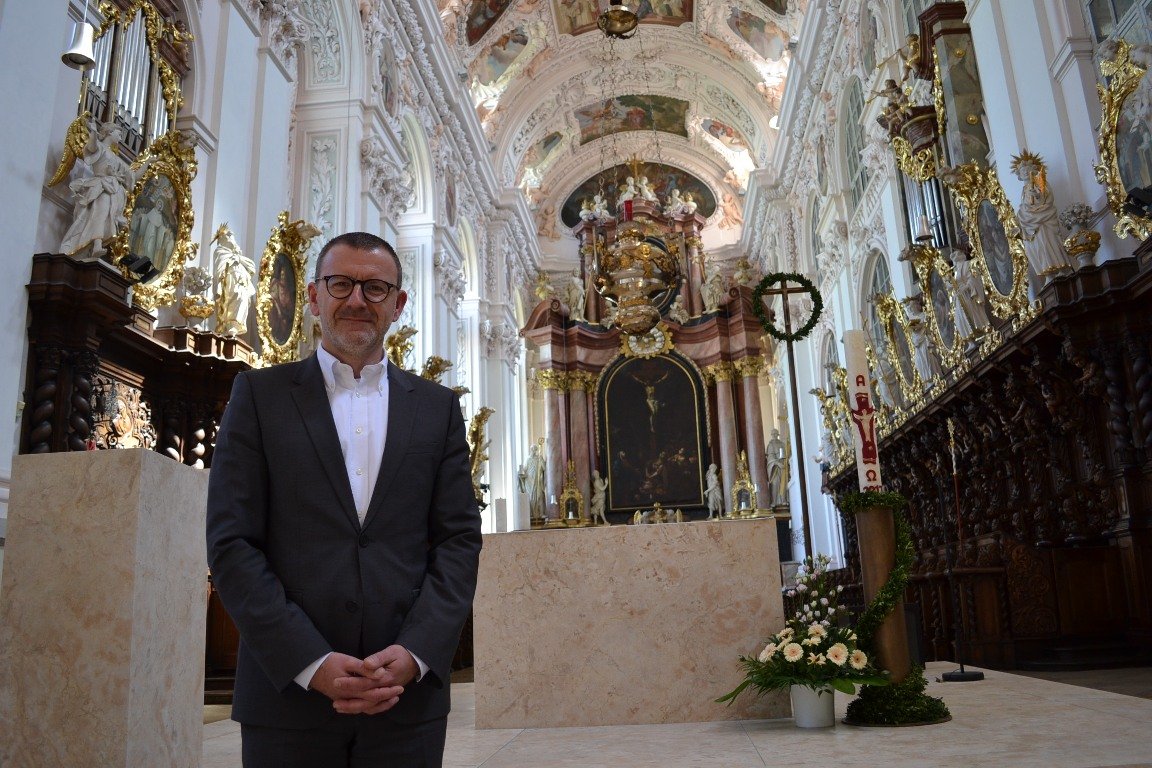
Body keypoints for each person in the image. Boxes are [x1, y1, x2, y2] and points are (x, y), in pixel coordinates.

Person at [206, 231, 482, 767]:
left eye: (376, 288)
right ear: (314, 297)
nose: (357, 299)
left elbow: (458, 540)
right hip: (287, 698)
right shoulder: (259, 396)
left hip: (404, 700)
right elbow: (232, 541)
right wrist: (308, 661)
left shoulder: (437, 408)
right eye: (340, 284)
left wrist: (416, 652)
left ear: (398, 304)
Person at [60, 120, 137, 259]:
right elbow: (92, 147)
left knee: (106, 214)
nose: (121, 138)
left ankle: (96, 245)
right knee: (100, 213)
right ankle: (96, 245)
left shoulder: (116, 158)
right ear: (110, 132)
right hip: (101, 186)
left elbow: (133, 177)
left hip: (112, 189)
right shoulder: (100, 147)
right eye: (119, 134)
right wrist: (94, 132)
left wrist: (149, 163)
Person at [212, 224, 256, 337]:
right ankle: (229, 325)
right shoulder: (220, 251)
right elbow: (219, 269)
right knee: (233, 297)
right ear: (222, 238)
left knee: (242, 298)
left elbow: (252, 267)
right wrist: (232, 260)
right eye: (229, 235)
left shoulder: (239, 257)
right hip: (229, 279)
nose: (232, 237)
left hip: (241, 283)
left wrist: (239, 258)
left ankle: (234, 326)